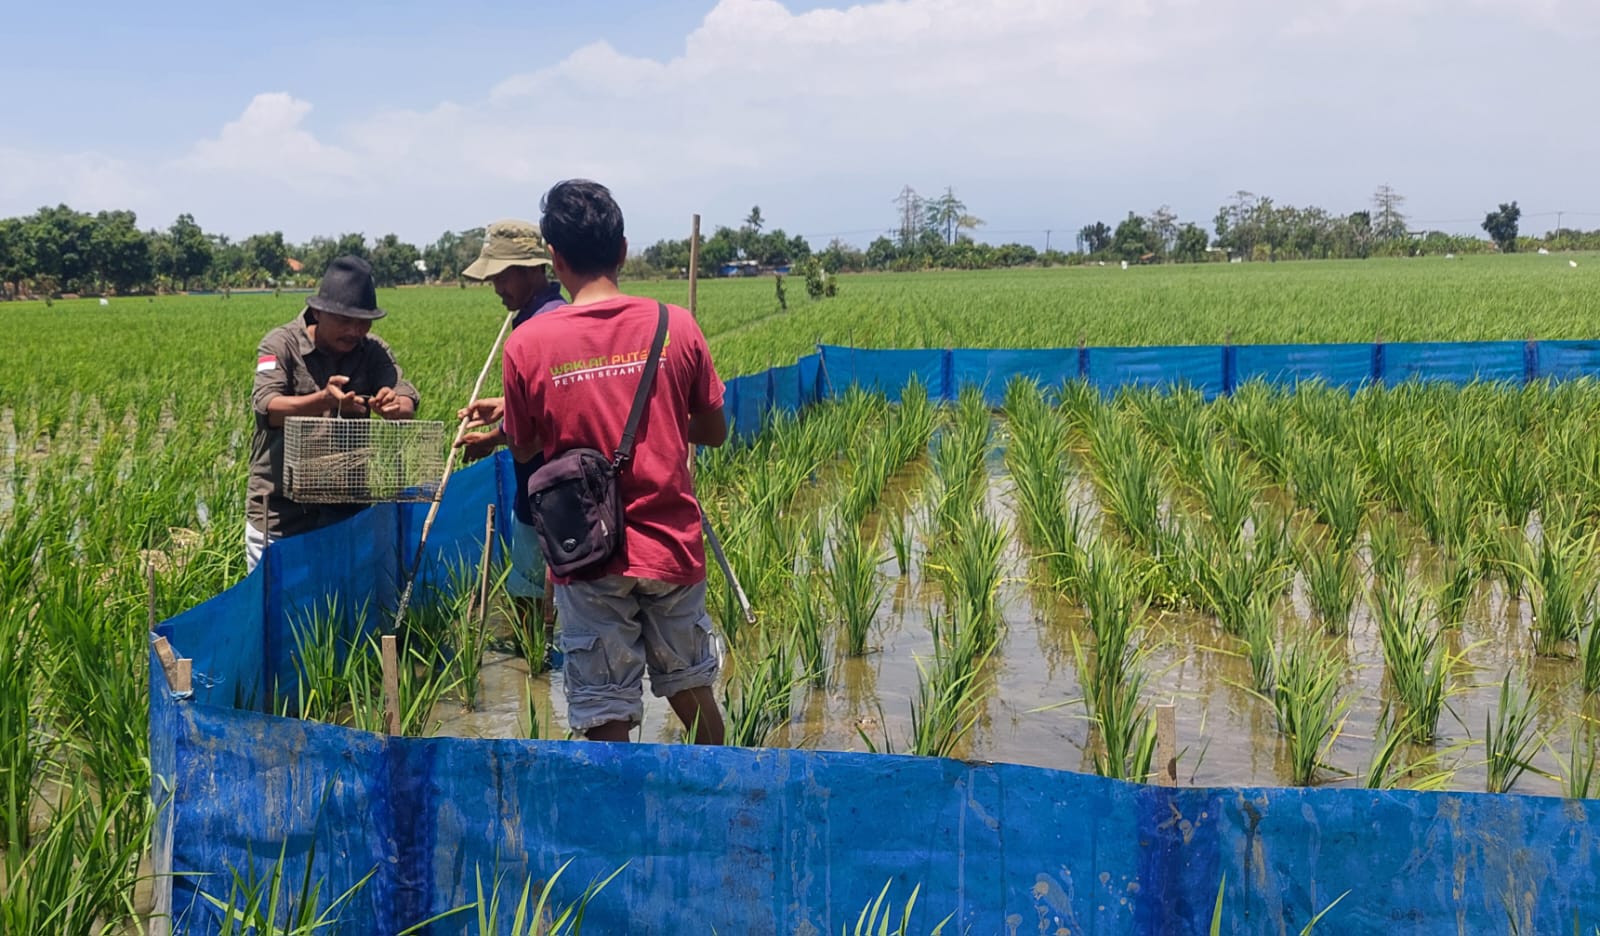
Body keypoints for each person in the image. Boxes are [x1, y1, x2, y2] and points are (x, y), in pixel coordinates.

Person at [490, 180, 728, 744]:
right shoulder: (676, 325)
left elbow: (523, 445)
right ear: (622, 250)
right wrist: (663, 421)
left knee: (605, 714)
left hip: (585, 552)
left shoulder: (528, 344)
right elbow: (714, 431)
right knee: (693, 692)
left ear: (554, 256)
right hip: (669, 545)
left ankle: (624, 827)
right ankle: (719, 807)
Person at [247, 255, 418, 572]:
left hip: (345, 511)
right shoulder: (280, 345)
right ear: (317, 312)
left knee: (341, 611)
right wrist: (323, 399)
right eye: (345, 320)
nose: (355, 331)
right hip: (282, 515)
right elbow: (268, 406)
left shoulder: (373, 350)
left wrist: (394, 406)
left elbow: (405, 396)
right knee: (276, 612)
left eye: (364, 322)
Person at [456, 221, 566, 657]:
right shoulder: (561, 316)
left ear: (529, 271)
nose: (496, 287)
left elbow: (527, 438)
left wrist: (492, 439)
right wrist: (508, 404)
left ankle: (533, 681)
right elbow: (557, 399)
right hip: (574, 489)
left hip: (542, 490)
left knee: (530, 602)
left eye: (501, 276)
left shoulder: (532, 332)